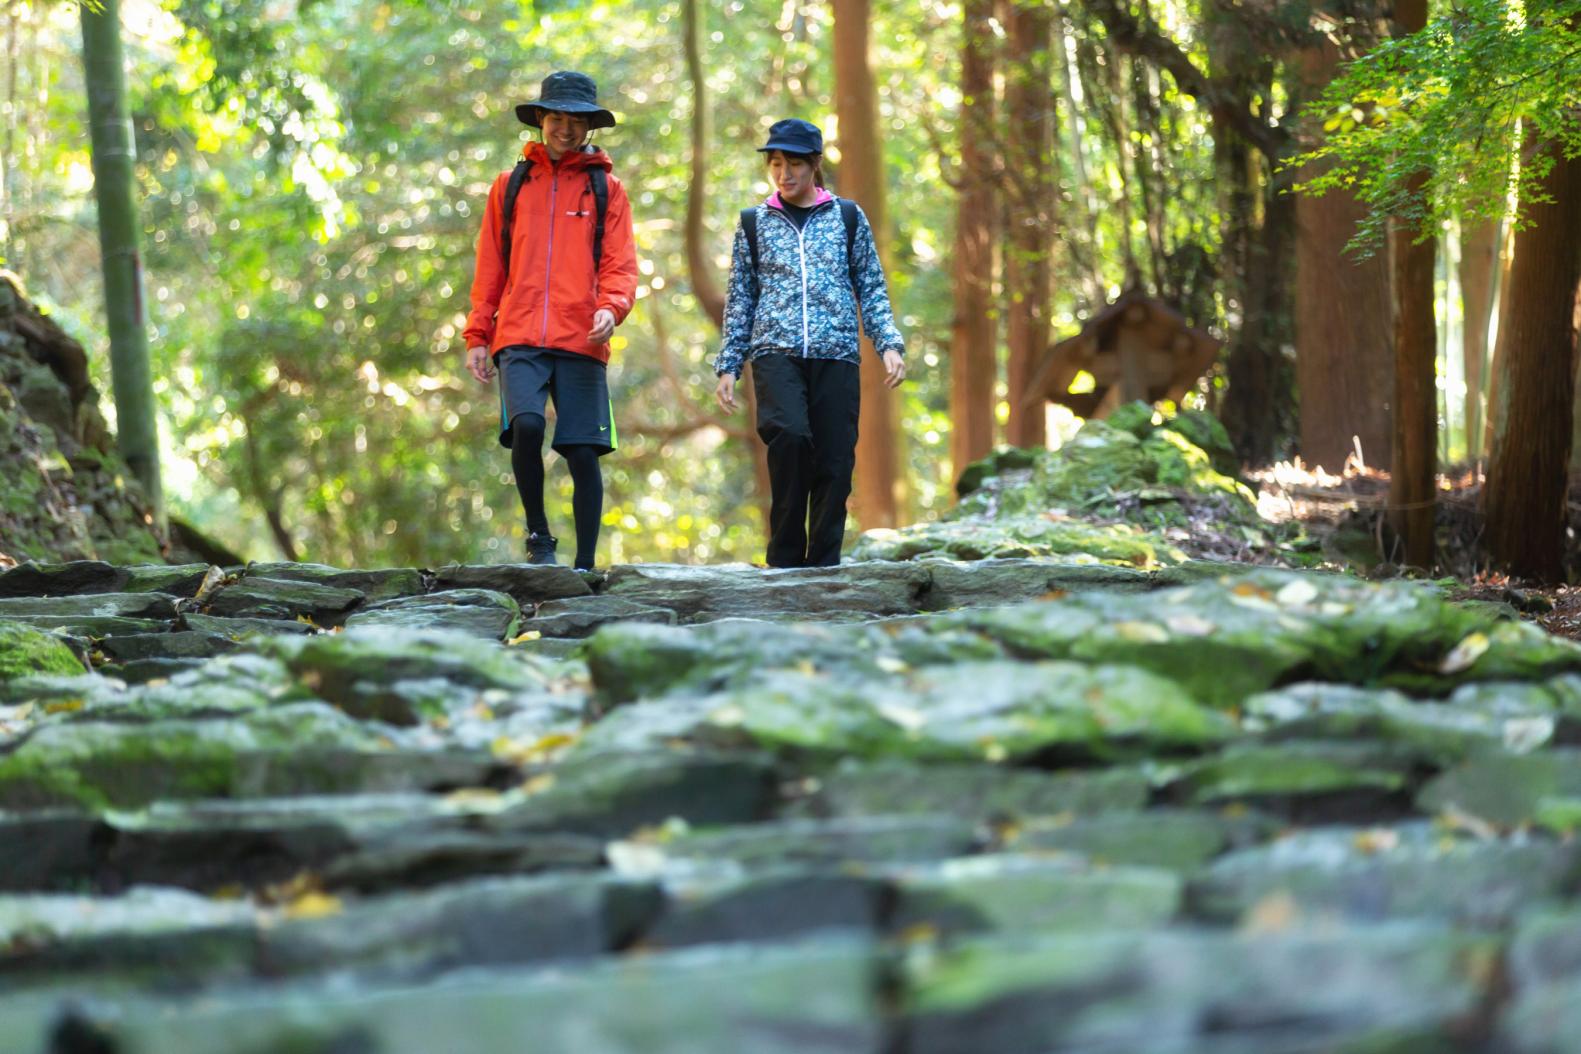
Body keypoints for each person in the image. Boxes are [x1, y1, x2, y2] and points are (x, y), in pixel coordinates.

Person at [713, 118, 906, 568]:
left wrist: (888, 343)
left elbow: (871, 286)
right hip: (774, 353)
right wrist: (729, 363)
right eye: (776, 163)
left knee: (835, 463)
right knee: (791, 437)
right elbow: (741, 297)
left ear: (815, 165)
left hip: (836, 353)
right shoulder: (752, 224)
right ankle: (783, 560)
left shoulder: (847, 217)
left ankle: (823, 566)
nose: (784, 174)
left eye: (795, 164)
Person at [463, 71, 637, 570]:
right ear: (541, 120)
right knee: (528, 426)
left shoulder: (608, 189)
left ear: (589, 127)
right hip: (517, 335)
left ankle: (584, 565)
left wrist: (611, 307)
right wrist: (479, 333)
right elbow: (490, 264)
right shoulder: (510, 185)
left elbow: (620, 264)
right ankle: (539, 536)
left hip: (582, 335)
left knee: (582, 451)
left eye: (575, 120)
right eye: (556, 117)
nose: (564, 128)